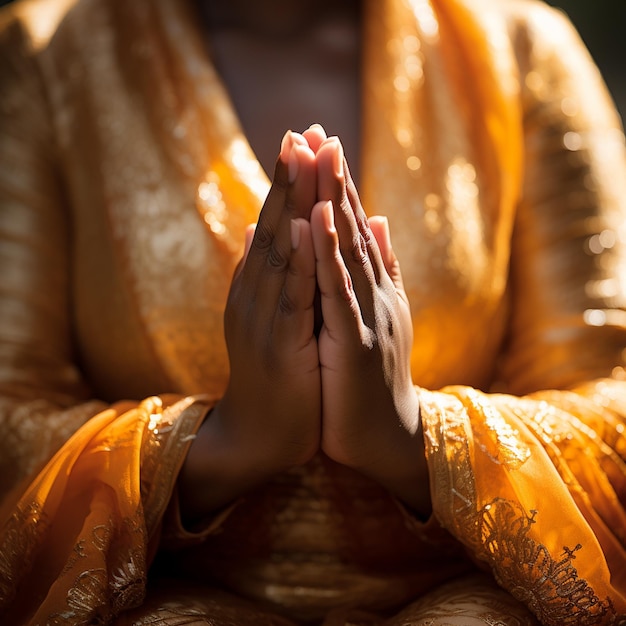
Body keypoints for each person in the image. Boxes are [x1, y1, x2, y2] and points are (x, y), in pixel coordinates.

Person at [0, 0, 625, 623]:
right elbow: (9, 427)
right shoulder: (52, 54)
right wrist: (218, 447)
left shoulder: (518, 50)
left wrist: (417, 438)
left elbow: (612, 411)